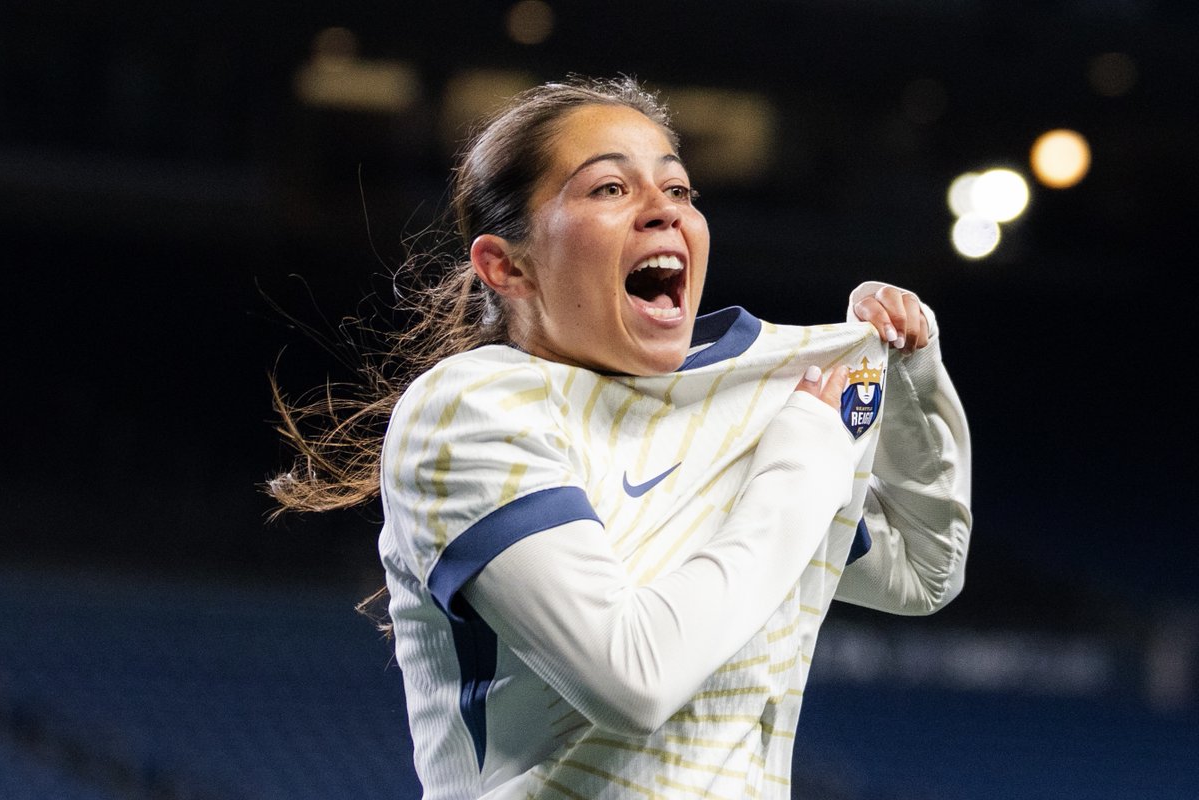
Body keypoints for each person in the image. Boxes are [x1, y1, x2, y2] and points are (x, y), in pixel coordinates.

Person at [270, 76, 971, 800]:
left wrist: (915, 379)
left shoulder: (739, 419)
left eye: (679, 189)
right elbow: (634, 681)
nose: (662, 210)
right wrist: (806, 457)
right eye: (609, 188)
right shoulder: (470, 409)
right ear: (506, 265)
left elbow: (925, 570)